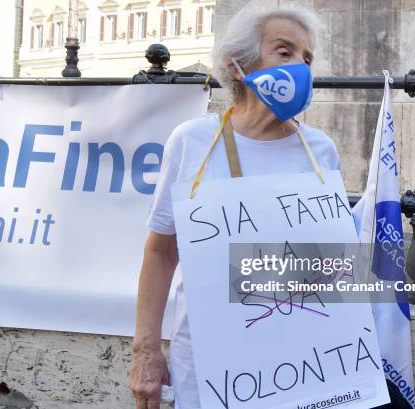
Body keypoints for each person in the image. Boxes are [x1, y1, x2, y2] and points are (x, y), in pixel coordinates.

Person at [129, 2, 342, 408]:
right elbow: (161, 251)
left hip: (299, 363)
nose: (300, 66)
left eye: (307, 58)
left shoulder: (320, 152)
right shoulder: (191, 141)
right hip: (209, 363)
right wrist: (146, 353)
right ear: (239, 64)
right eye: (285, 52)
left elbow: (333, 265)